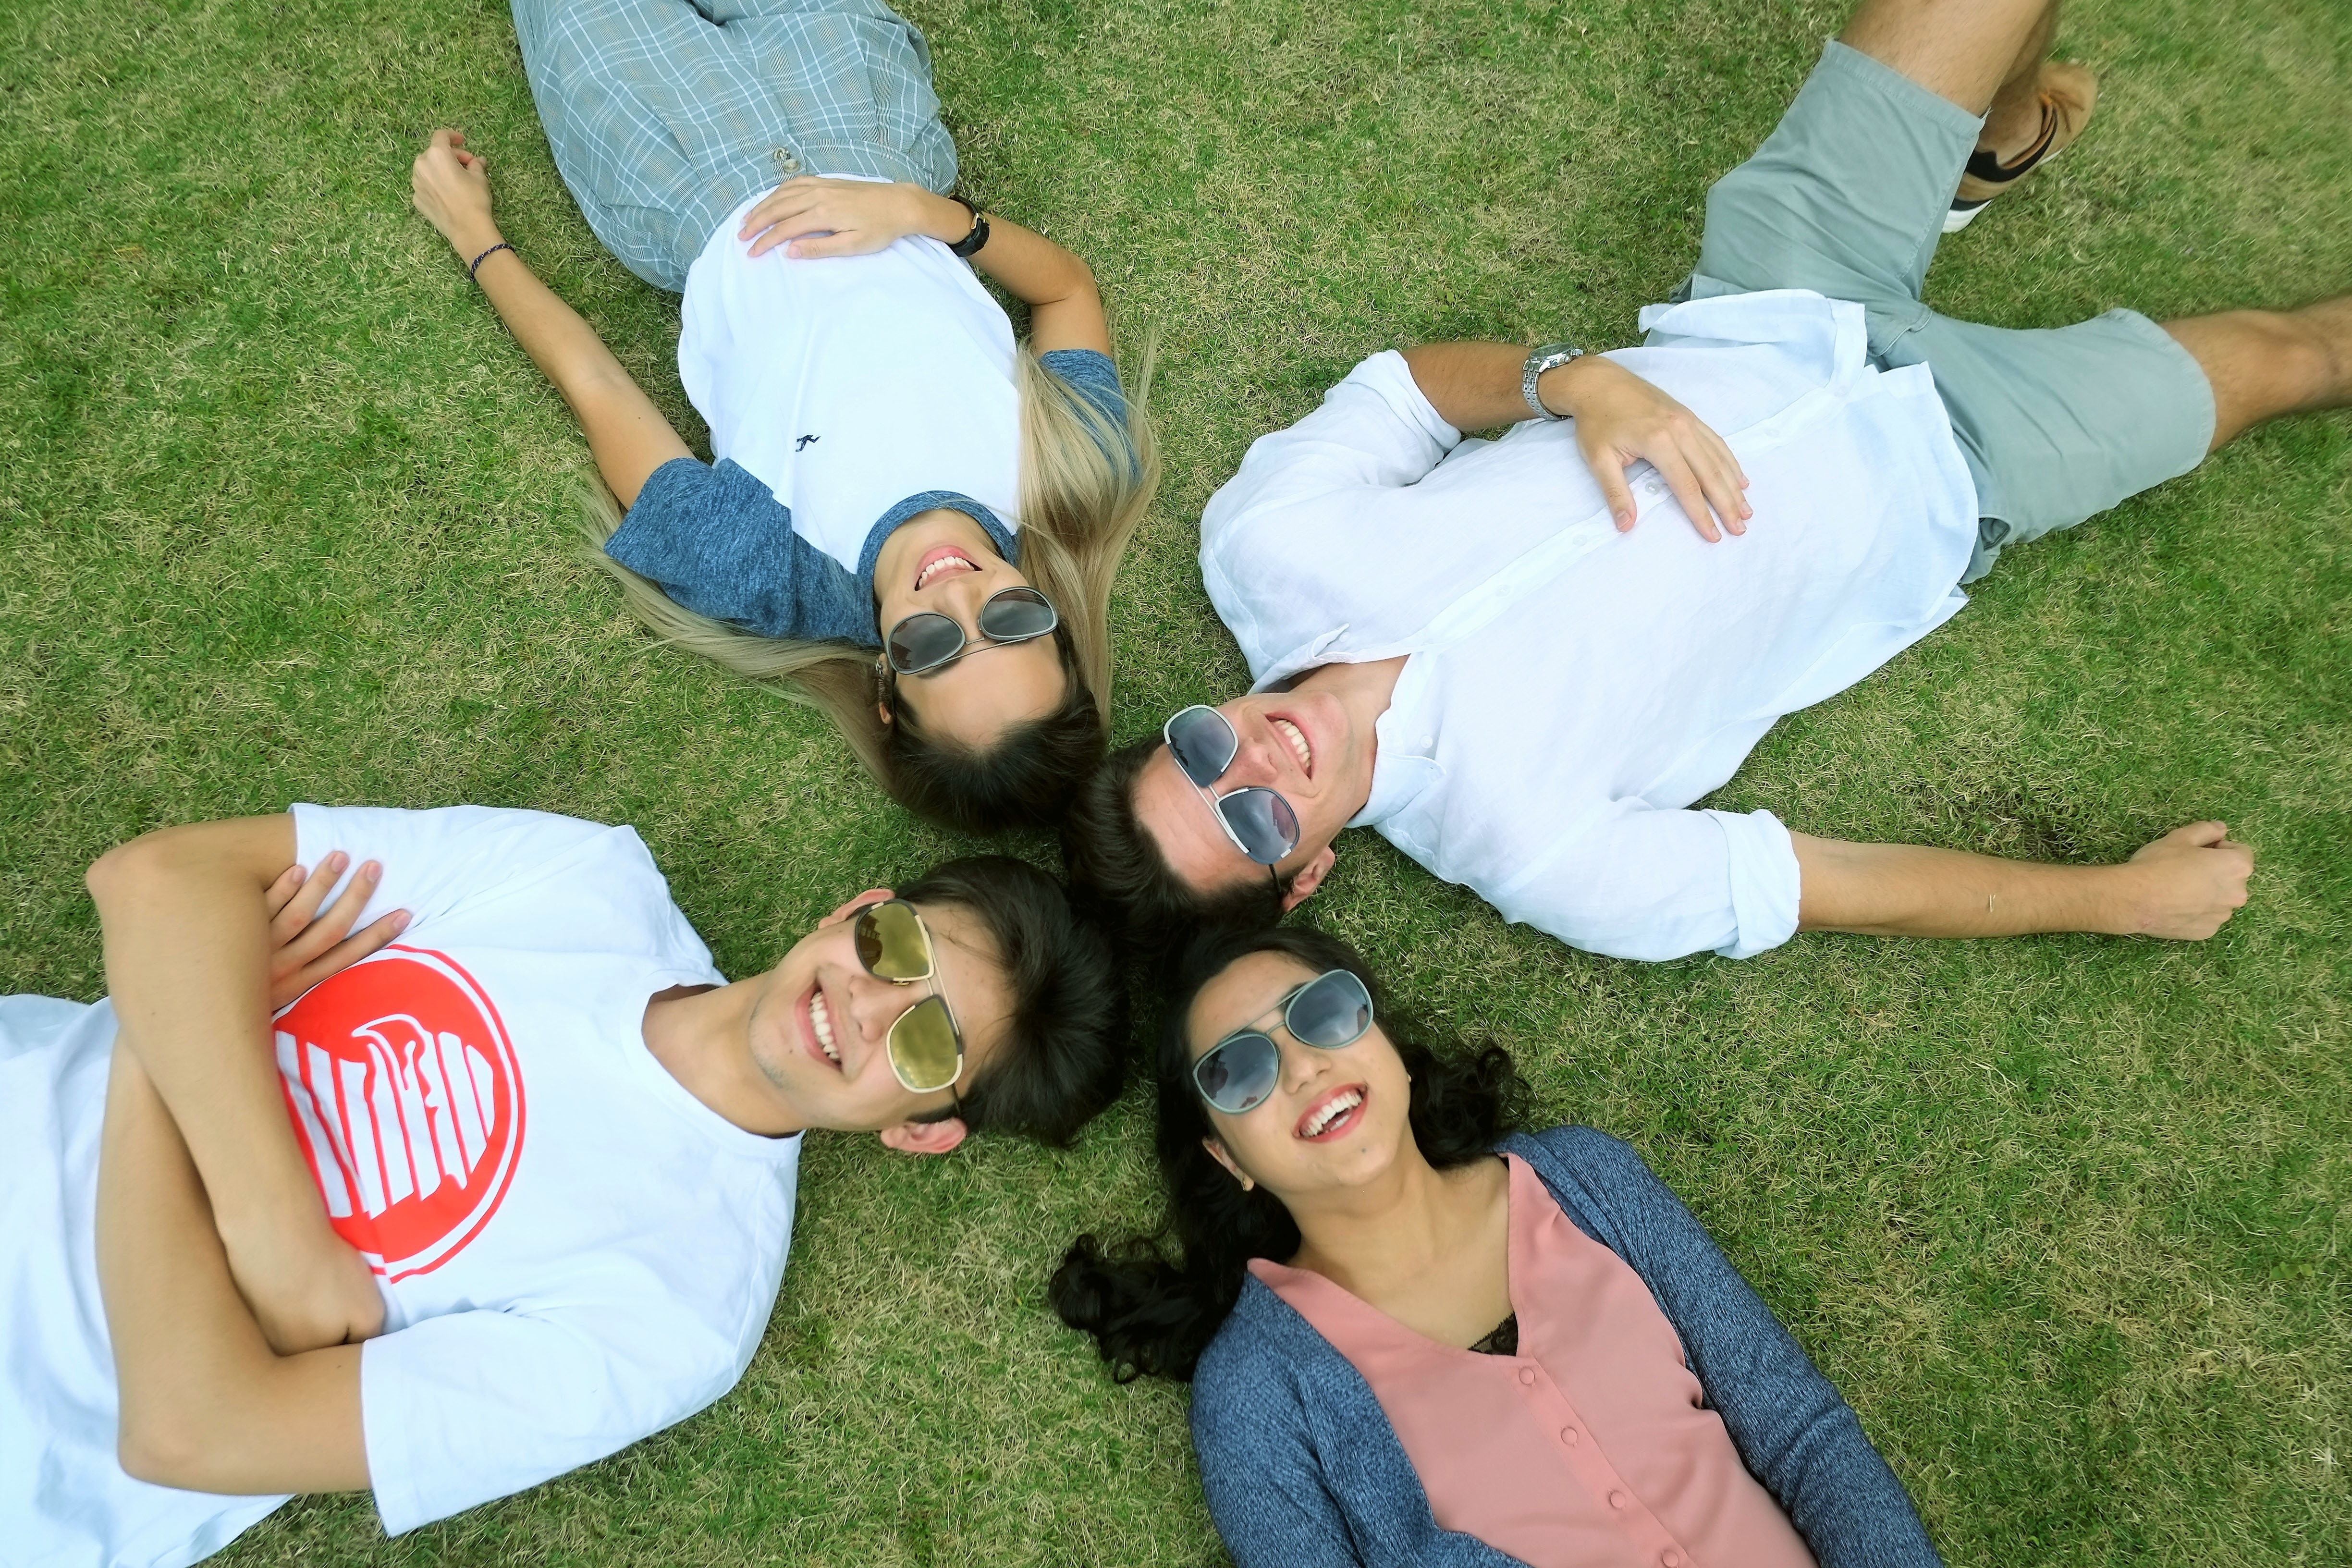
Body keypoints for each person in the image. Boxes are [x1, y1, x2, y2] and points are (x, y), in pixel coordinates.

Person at [1063, 0, 2352, 962]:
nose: (1255, 765)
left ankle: (1987, 147)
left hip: (1769, 299)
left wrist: (1572, 379)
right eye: (1250, 826)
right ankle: (1975, 152)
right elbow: (1825, 878)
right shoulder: (1541, 853)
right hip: (1965, 468)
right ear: (1304, 878)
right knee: (2305, 357)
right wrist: (2121, 902)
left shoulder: (1263, 549)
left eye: (1200, 752)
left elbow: (1404, 387)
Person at [1, 803, 1126, 1566]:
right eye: (897, 950)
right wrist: (273, 1226)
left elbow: (190, 1434)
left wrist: (173, 1032)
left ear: (923, 1134)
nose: (870, 1006)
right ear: (855, 911)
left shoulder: (684, 1313)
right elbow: (152, 881)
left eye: (929, 1048)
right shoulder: (585, 882)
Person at [409, 0, 1158, 834]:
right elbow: (1066, 291)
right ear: (1054, 621)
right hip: (864, 108)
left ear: (885, 691)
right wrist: (927, 215)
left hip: (674, 165)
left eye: (931, 650)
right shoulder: (1072, 470)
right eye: (1014, 623)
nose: (959, 596)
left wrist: (474, 234)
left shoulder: (764, 572)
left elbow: (597, 386)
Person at [1052, 925, 1940, 1567]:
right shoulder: (1255, 1397)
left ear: (1389, 1049)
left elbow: (1801, 1434)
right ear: (1225, 1157)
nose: (1303, 1066)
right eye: (1240, 1070)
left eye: (1321, 1014)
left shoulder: (1589, 1181)